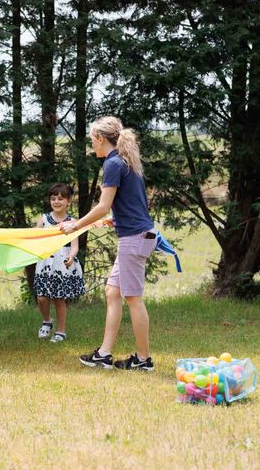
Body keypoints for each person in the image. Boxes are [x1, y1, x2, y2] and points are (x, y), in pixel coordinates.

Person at [60, 116, 157, 371]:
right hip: (136, 235)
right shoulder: (125, 161)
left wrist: (76, 225)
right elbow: (131, 203)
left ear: (101, 139)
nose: (93, 146)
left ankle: (144, 360)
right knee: (112, 292)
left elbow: (103, 206)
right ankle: (104, 354)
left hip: (134, 239)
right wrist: (117, 219)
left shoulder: (113, 163)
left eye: (93, 141)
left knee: (133, 299)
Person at [34, 183, 86, 343]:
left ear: (68, 201)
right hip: (46, 262)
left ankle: (61, 331)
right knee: (42, 298)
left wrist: (71, 256)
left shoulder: (72, 222)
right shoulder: (43, 220)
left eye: (61, 199)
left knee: (59, 299)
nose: (56, 202)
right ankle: (47, 320)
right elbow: (35, 239)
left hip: (62, 264)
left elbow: (75, 245)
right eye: (53, 198)